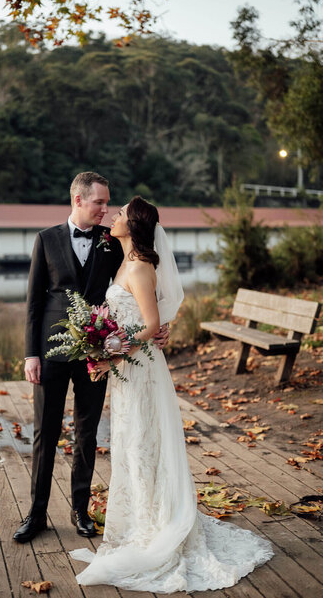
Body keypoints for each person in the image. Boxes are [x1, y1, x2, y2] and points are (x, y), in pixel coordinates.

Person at [70, 196, 274, 593]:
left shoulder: (142, 267)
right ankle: (137, 523)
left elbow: (148, 325)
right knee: (132, 445)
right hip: (130, 368)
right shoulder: (125, 260)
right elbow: (135, 321)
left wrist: (111, 351)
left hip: (141, 370)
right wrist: (104, 346)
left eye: (122, 213)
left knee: (145, 444)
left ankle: (155, 528)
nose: (115, 216)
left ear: (135, 226)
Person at [13, 174, 169, 543]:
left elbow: (146, 281)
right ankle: (36, 515)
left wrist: (164, 325)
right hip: (50, 354)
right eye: (99, 202)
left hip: (98, 356)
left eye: (108, 203)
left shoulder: (113, 241)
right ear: (78, 199)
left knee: (86, 434)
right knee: (45, 434)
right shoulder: (46, 239)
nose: (105, 209)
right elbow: (34, 302)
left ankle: (80, 511)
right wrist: (30, 354)